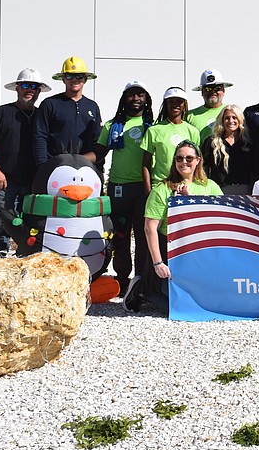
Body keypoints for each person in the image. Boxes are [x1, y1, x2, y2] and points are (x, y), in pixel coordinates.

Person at [126, 140, 223, 313]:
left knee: (203, 304)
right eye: (179, 158)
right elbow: (150, 228)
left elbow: (221, 218)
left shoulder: (210, 187)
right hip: (170, 252)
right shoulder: (161, 190)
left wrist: (188, 202)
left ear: (198, 160)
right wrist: (158, 263)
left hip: (198, 251)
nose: (184, 162)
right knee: (177, 308)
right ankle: (142, 289)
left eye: (189, 158)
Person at [0, 68, 47, 255]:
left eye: (34, 86)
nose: (29, 90)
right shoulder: (1, 113)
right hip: (5, 182)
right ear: (17, 88)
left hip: (34, 184)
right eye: (25, 85)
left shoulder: (42, 117)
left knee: (33, 226)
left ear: (39, 91)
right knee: (0, 225)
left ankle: (27, 258)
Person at [93, 80, 153, 291]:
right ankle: (122, 277)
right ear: (124, 98)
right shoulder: (112, 125)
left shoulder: (153, 126)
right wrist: (74, 159)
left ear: (147, 100)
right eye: (131, 94)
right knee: (120, 234)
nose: (136, 98)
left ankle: (141, 279)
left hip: (144, 187)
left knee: (144, 235)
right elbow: (99, 153)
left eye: (140, 95)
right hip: (118, 187)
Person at [33, 56, 102, 167]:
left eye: (79, 76)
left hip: (85, 169)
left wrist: (100, 168)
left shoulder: (92, 106)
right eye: (69, 76)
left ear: (85, 79)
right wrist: (43, 167)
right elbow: (40, 137)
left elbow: (98, 141)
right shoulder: (49, 104)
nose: (74, 80)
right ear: (63, 79)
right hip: (55, 167)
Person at [141, 88, 202, 192]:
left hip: (186, 187)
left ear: (184, 104)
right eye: (171, 101)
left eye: (179, 101)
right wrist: (148, 192)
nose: (175, 104)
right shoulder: (153, 130)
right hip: (161, 186)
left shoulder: (193, 131)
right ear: (165, 104)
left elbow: (197, 162)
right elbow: (145, 164)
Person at [201, 104, 253, 194]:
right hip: (219, 190)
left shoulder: (248, 142)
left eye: (234, 117)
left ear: (240, 119)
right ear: (222, 120)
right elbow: (203, 168)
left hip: (244, 189)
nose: (231, 121)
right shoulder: (211, 142)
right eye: (227, 118)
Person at [186, 68, 233, 143]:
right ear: (202, 92)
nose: (213, 92)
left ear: (223, 91)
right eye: (208, 88)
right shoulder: (189, 116)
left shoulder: (232, 112)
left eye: (217, 88)